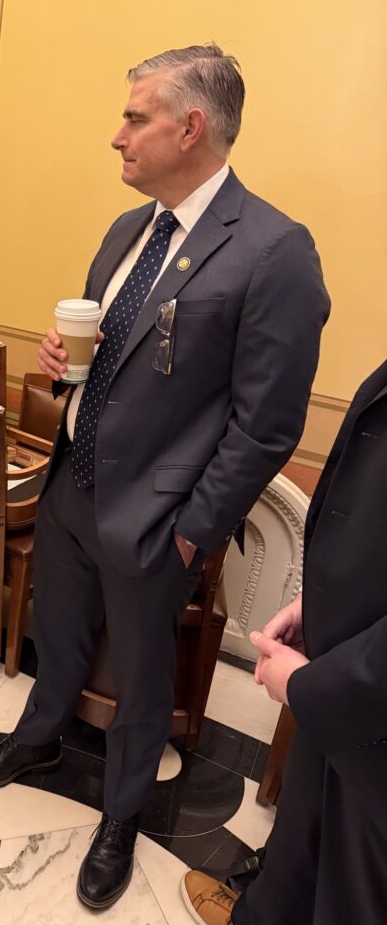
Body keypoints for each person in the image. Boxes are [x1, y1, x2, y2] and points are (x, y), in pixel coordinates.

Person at [0, 44, 330, 911]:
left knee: (141, 679)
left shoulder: (274, 251)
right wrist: (61, 364)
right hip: (73, 489)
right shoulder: (130, 230)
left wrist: (194, 528)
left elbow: (267, 422)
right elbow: (110, 359)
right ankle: (41, 735)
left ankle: (121, 814)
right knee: (57, 629)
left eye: (134, 117)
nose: (115, 137)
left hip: (159, 523)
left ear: (189, 127)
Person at [181, 358, 387, 925]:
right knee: (299, 855)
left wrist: (306, 686)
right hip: (344, 680)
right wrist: (319, 607)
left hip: (368, 719)